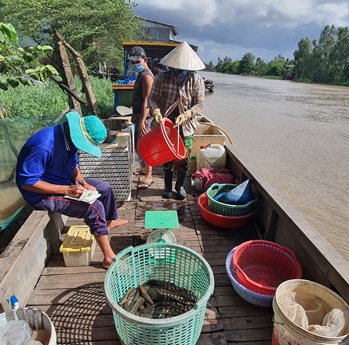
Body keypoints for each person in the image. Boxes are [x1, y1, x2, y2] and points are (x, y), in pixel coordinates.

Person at [15, 111, 128, 269]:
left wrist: (82, 182)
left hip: (62, 179)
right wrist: (66, 190)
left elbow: (73, 165)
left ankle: (109, 221)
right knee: (95, 208)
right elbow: (27, 182)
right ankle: (108, 257)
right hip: (41, 193)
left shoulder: (68, 137)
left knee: (105, 188)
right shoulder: (44, 146)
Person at [149, 41, 206, 200]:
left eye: (182, 69)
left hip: (186, 125)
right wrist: (156, 111)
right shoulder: (161, 77)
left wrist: (187, 114)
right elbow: (152, 99)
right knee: (166, 155)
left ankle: (179, 186)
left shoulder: (196, 80)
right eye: (176, 69)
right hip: (165, 124)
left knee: (184, 157)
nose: (179, 72)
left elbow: (200, 103)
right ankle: (167, 187)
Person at [128, 46, 155, 189]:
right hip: (138, 115)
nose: (134, 64)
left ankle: (149, 175)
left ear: (144, 59)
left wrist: (142, 121)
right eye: (132, 62)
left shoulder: (147, 76)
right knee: (139, 146)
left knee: (146, 146)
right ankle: (145, 169)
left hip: (146, 117)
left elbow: (147, 100)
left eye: (136, 61)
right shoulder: (141, 74)